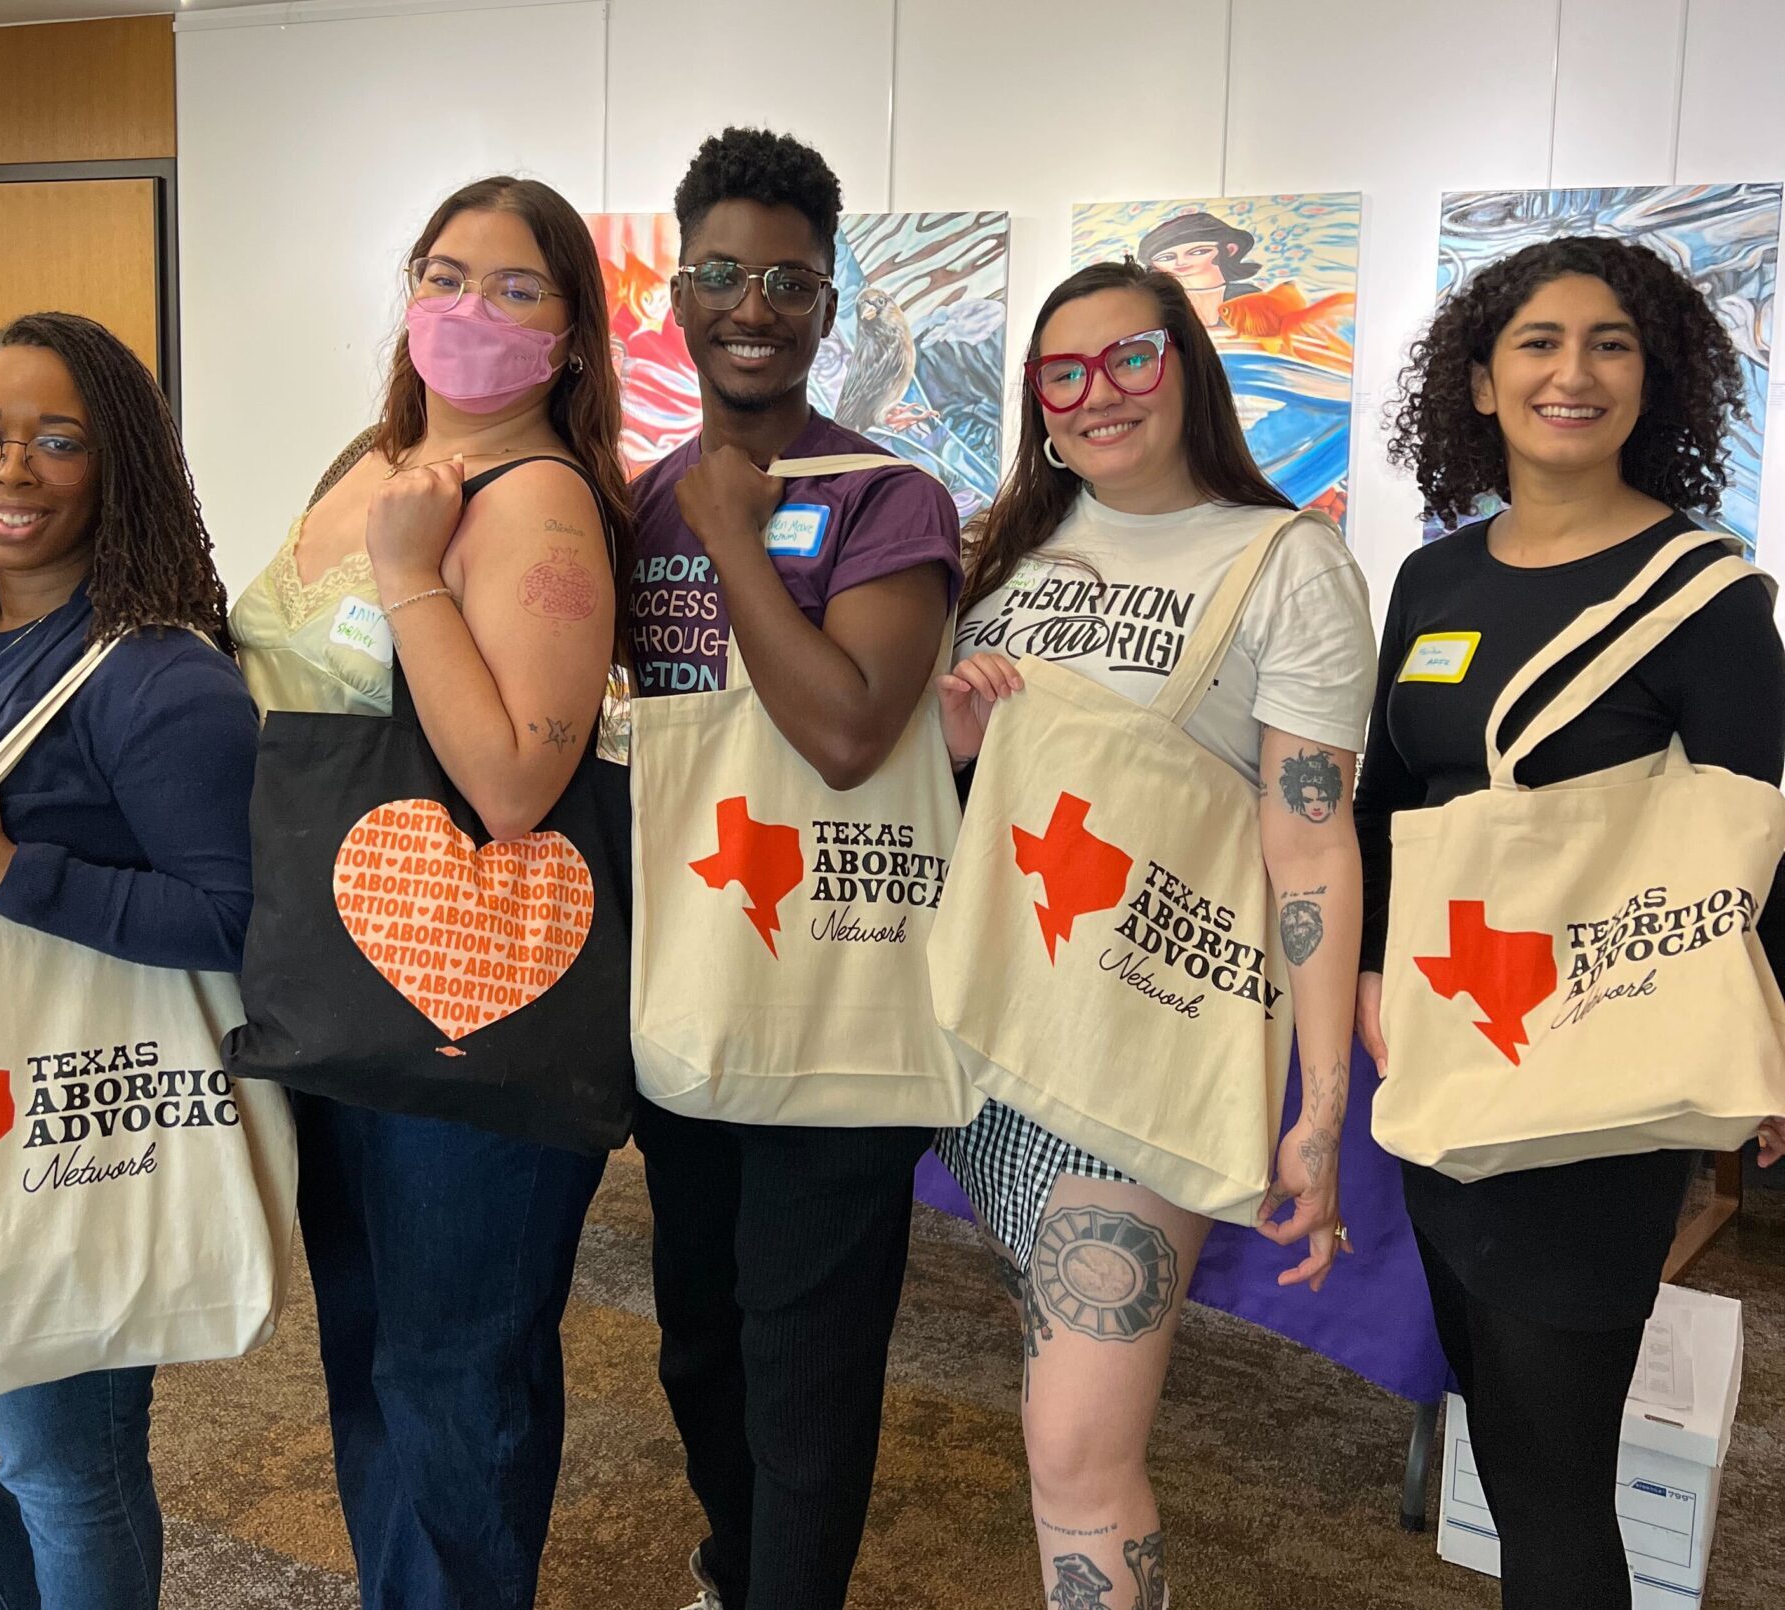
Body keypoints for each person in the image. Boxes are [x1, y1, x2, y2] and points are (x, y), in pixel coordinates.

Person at [934, 259, 1374, 1607]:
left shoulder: (1287, 563)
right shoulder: (1005, 551)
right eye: (1062, 373)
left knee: (1078, 1446)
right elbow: (960, 789)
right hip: (994, 1016)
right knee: (1047, 1404)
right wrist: (961, 745)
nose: (1100, 393)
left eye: (1130, 357)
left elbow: (1310, 838)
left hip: (1142, 1026)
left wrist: (1320, 1099)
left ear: (1188, 360)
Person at [1356, 234, 1785, 1610]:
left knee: (1552, 1478)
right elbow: (1384, 800)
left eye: (1610, 342)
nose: (1573, 370)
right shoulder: (1433, 583)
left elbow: (1752, 845)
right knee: (1494, 1409)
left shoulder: (1707, 597)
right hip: (1447, 1041)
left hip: (1600, 1064)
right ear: (1479, 382)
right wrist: (1366, 970)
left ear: (1652, 379)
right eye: (1538, 341)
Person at [228, 175, 629, 1610]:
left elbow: (519, 779)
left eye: (517, 288)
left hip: (471, 1006)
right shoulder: (368, 457)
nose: (471, 311)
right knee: (373, 1351)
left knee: (455, 1373)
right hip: (339, 979)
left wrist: (410, 577)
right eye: (446, 275)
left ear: (573, 337)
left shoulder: (540, 502)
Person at [0, 311, 254, 1610]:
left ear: (116, 466)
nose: (11, 468)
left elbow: (238, 922)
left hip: (56, 1126)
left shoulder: (155, 678)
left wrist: (7, 872)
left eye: (56, 440)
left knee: (60, 1469)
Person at [627, 127, 961, 1610]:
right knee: (696, 1331)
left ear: (831, 306)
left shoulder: (892, 499)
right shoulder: (636, 499)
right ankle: (736, 1562)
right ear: (676, 291)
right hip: (690, 981)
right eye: (720, 273)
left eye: (789, 280)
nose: (750, 305)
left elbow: (843, 729)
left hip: (835, 992)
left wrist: (734, 534)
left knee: (807, 1354)